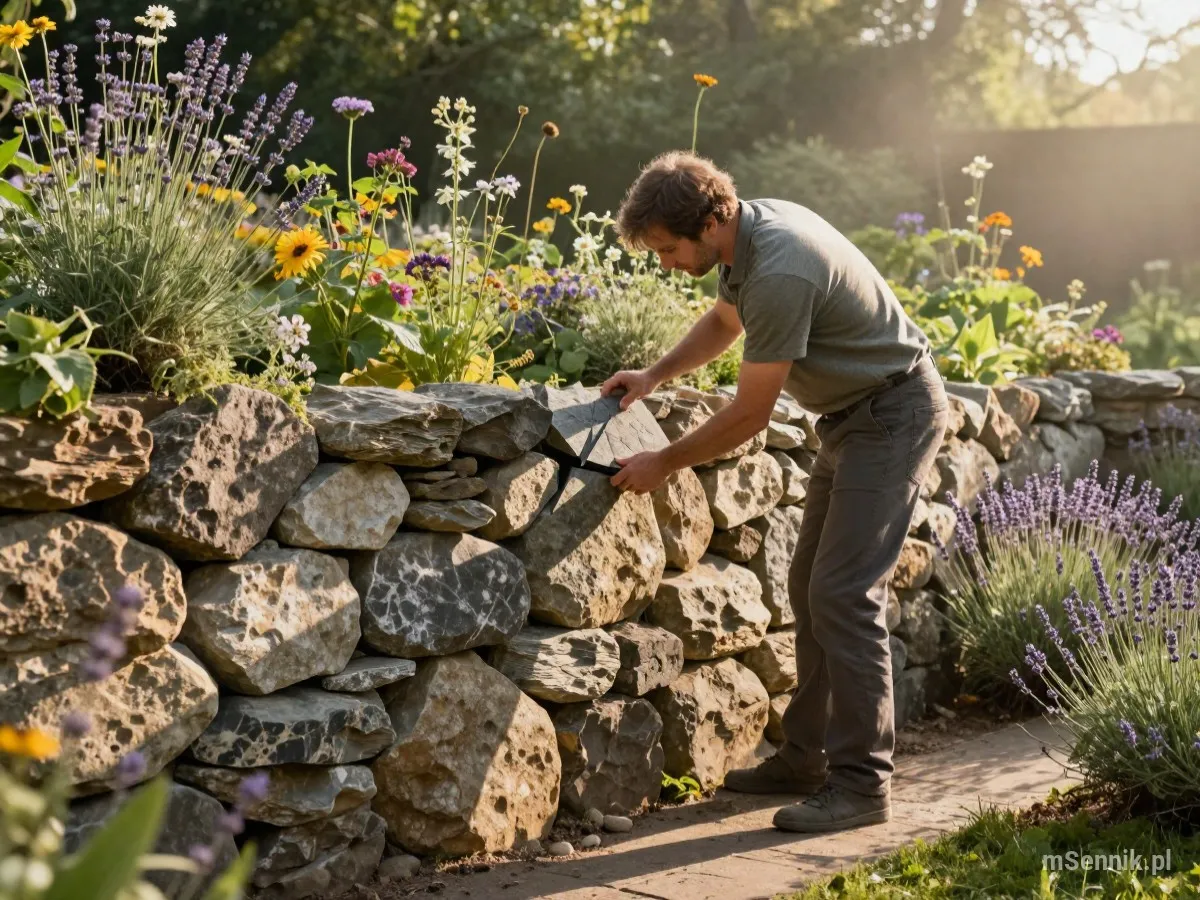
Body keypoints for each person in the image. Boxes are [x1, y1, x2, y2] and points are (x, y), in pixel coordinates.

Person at [600, 150, 949, 834]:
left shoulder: (782, 267)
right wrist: (654, 375)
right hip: (855, 419)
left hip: (893, 415)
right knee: (809, 585)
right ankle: (807, 759)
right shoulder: (751, 235)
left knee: (843, 595)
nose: (666, 264)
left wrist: (664, 462)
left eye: (670, 249)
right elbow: (725, 324)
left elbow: (749, 414)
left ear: (712, 218)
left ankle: (861, 787)